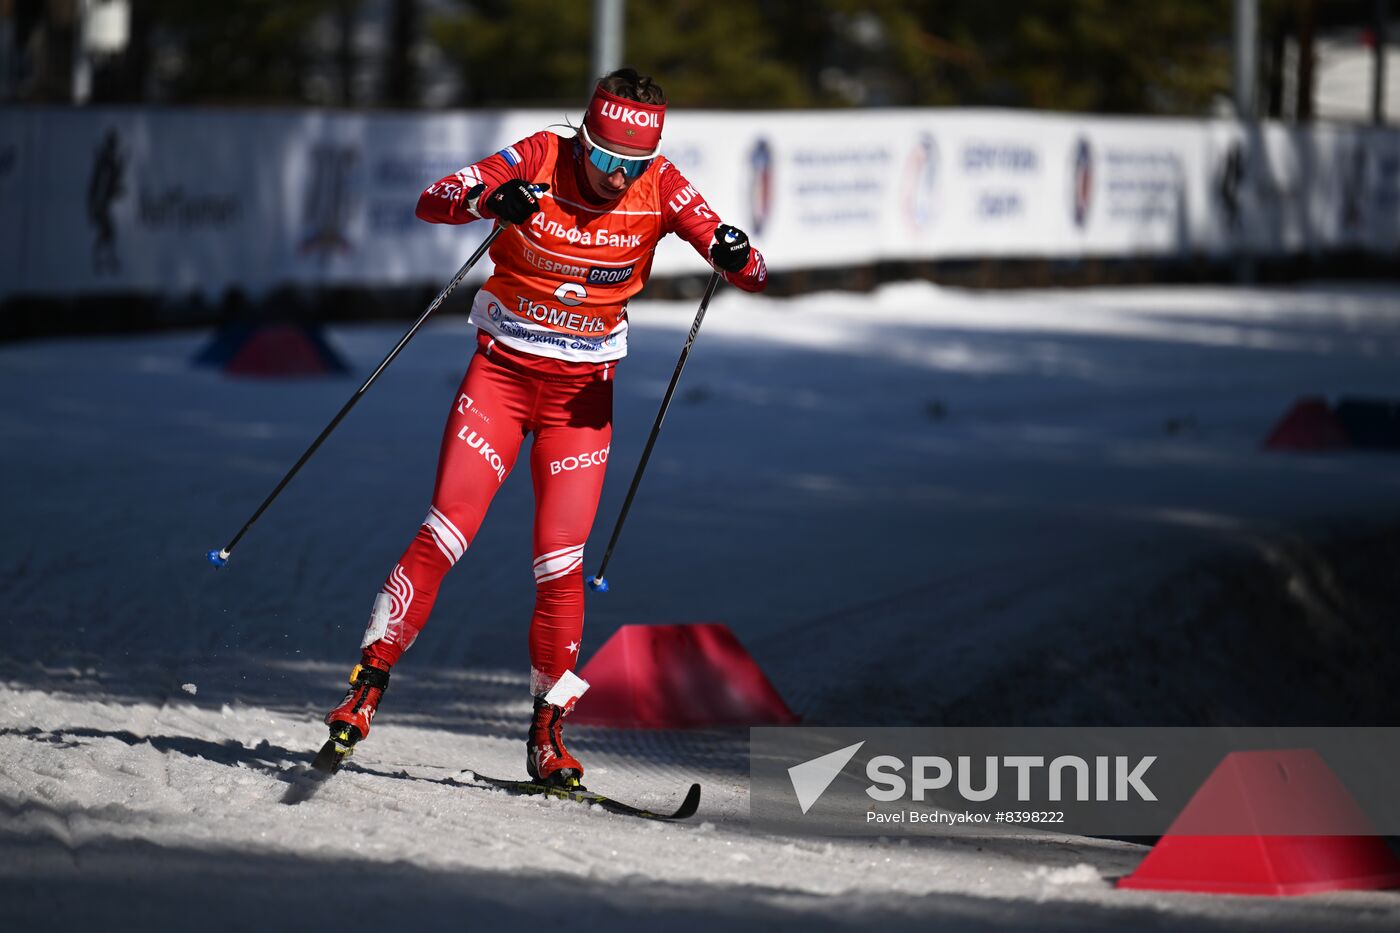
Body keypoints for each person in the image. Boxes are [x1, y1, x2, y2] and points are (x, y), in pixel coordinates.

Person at [322, 68, 768, 788]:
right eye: (603, 157)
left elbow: (750, 267)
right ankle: (365, 685)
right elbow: (432, 199)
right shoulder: (540, 155)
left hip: (580, 402)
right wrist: (486, 198)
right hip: (500, 380)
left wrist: (733, 251)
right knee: (445, 533)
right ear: (582, 137)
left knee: (561, 566)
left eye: (632, 164)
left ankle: (548, 732)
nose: (616, 176)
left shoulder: (662, 184)